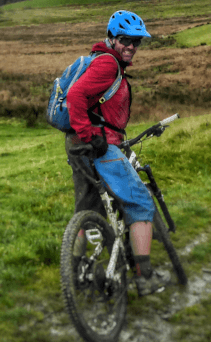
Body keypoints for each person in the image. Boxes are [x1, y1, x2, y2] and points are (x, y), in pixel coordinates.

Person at [65, 10, 170, 297]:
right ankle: (145, 278)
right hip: (97, 146)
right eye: (126, 40)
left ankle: (74, 272)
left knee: (87, 211)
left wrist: (87, 137)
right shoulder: (108, 65)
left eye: (137, 42)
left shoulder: (102, 60)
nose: (132, 47)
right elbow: (75, 96)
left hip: (77, 146)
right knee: (140, 203)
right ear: (112, 38)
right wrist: (93, 137)